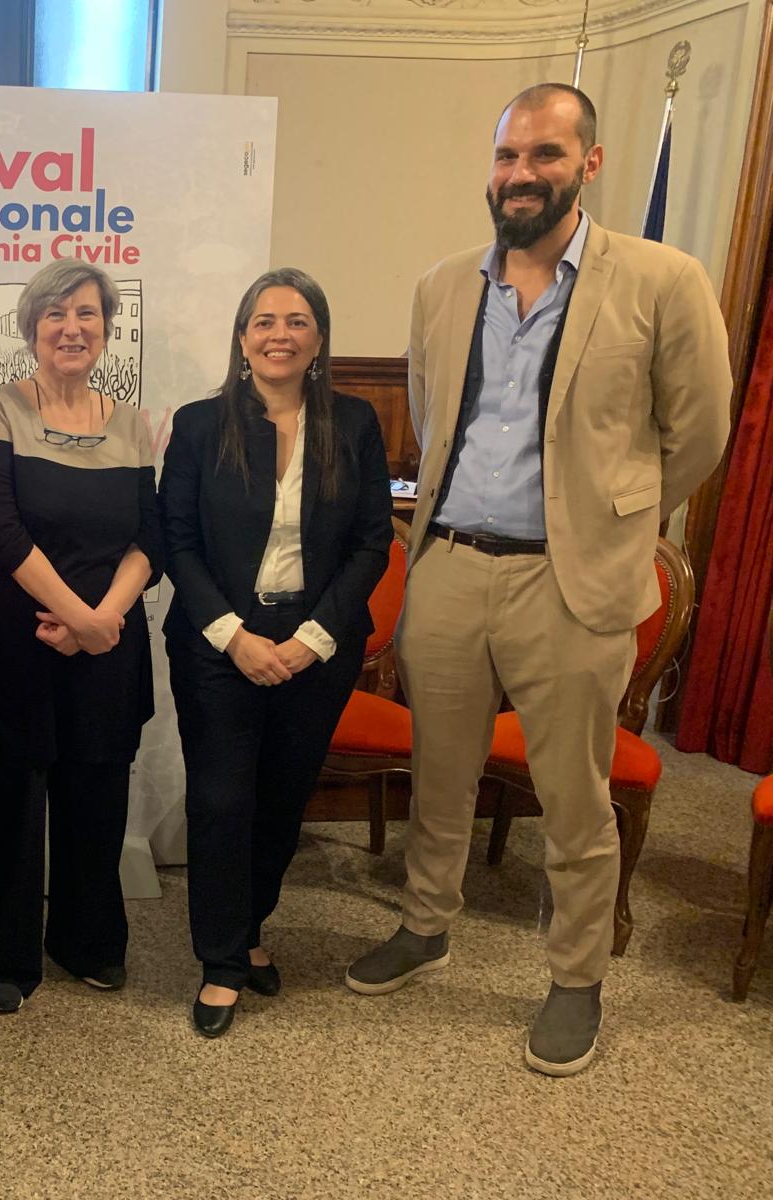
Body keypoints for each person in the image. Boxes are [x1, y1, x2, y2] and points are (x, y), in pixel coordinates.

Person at [345, 84, 732, 1076]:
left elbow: (699, 431)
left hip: (571, 583)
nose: (521, 174)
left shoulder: (662, 280)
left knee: (572, 795)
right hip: (448, 568)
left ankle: (574, 977)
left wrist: (613, 521)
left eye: (545, 155)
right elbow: (431, 416)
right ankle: (425, 924)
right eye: (507, 155)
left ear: (588, 164)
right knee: (439, 773)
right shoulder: (442, 286)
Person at [162, 268, 391, 1039]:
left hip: (316, 645)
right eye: (264, 321)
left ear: (319, 339)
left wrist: (309, 641)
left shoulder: (354, 423)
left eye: (297, 321)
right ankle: (222, 962)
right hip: (218, 642)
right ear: (242, 338)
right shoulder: (200, 425)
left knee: (282, 800)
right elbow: (178, 542)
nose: (279, 335)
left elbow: (372, 544)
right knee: (222, 800)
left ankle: (250, 925)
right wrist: (235, 636)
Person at [0, 259, 162, 1014]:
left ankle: (87, 941)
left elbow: (151, 537)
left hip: (106, 641)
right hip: (14, 640)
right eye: (56, 314)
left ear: (106, 328)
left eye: (87, 314)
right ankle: (0, 958)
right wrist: (79, 615)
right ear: (31, 327)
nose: (72, 328)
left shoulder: (131, 422)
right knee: (8, 798)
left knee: (97, 795)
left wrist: (102, 619)